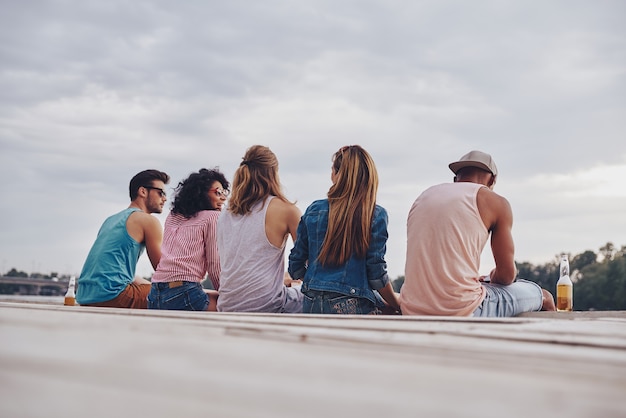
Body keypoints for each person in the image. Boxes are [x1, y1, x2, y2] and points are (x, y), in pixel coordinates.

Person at [399, 150, 556, 317]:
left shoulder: (423, 197)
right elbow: (507, 275)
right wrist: (491, 277)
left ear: (455, 179)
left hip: (411, 309)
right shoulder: (496, 202)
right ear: (493, 180)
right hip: (463, 309)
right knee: (543, 296)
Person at [289, 145, 400, 314]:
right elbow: (376, 275)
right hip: (352, 304)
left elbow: (295, 266)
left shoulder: (314, 210)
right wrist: (395, 303)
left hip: (312, 303)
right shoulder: (375, 214)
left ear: (336, 175)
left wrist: (318, 283)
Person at [216, 145, 303, 313]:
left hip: (227, 305)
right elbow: (308, 260)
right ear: (273, 174)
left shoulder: (226, 212)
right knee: (309, 297)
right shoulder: (286, 209)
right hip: (268, 306)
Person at [76, 169, 170, 308]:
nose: (165, 198)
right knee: (197, 297)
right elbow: (165, 272)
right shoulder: (148, 221)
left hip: (85, 297)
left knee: (145, 284)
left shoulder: (110, 220)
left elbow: (115, 272)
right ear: (143, 191)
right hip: (114, 295)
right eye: (161, 192)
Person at [147, 168, 229, 311]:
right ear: (201, 193)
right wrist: (228, 294)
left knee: (208, 294)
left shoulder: (173, 216)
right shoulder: (213, 218)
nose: (223, 197)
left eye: (224, 193)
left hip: (155, 294)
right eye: (218, 192)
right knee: (229, 304)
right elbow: (215, 265)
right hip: (184, 292)